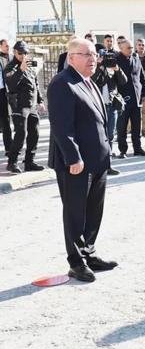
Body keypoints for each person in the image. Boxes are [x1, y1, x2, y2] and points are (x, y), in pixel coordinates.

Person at [47, 38, 117, 283]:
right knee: (76, 212)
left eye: (94, 55)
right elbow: (61, 126)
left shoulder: (89, 82)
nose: (93, 59)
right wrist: (73, 157)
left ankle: (89, 253)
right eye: (86, 55)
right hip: (76, 164)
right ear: (71, 57)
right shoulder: (62, 83)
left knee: (93, 210)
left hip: (97, 161)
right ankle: (76, 262)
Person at [4, 41, 45, 173]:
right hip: (19, 105)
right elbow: (11, 84)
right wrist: (20, 70)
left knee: (35, 133)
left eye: (25, 53)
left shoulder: (29, 65)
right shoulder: (10, 67)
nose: (23, 55)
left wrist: (40, 101)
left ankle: (29, 162)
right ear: (15, 52)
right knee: (21, 134)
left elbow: (35, 83)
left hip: (31, 104)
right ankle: (12, 162)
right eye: (20, 53)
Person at [91, 47, 127, 176]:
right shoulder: (96, 69)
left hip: (111, 106)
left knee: (110, 135)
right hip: (99, 107)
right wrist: (100, 66)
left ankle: (108, 165)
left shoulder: (114, 69)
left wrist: (117, 69)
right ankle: (97, 164)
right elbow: (92, 81)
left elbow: (124, 81)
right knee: (99, 136)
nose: (108, 61)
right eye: (105, 58)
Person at [115, 39, 145, 158]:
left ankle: (138, 148)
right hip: (123, 98)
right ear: (121, 48)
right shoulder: (116, 60)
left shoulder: (136, 59)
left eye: (131, 48)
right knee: (122, 126)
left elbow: (142, 78)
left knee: (137, 125)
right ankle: (123, 150)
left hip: (136, 98)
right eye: (128, 48)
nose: (131, 50)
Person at [0, 38, 11, 157]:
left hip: (4, 92)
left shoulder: (9, 58)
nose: (8, 48)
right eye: (6, 46)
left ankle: (9, 148)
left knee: (5, 120)